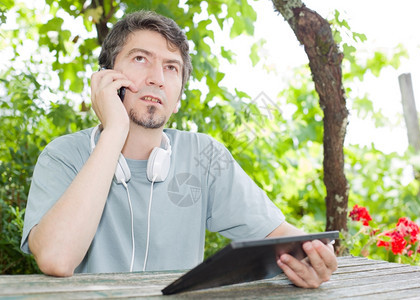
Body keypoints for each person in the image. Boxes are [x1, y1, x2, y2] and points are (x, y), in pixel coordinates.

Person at [21, 10, 337, 288]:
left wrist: (313, 261)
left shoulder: (204, 156)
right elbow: (56, 259)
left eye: (171, 67)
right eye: (140, 59)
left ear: (177, 98)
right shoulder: (62, 155)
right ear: (106, 78)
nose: (157, 78)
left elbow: (282, 237)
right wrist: (114, 131)